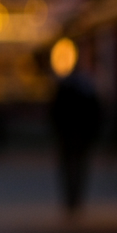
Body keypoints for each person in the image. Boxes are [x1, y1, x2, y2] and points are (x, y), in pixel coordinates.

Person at [48, 69, 104, 215]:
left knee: (71, 167)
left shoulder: (68, 89)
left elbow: (54, 112)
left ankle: (72, 198)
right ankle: (74, 198)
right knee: (77, 167)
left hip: (71, 136)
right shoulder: (86, 90)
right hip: (77, 136)